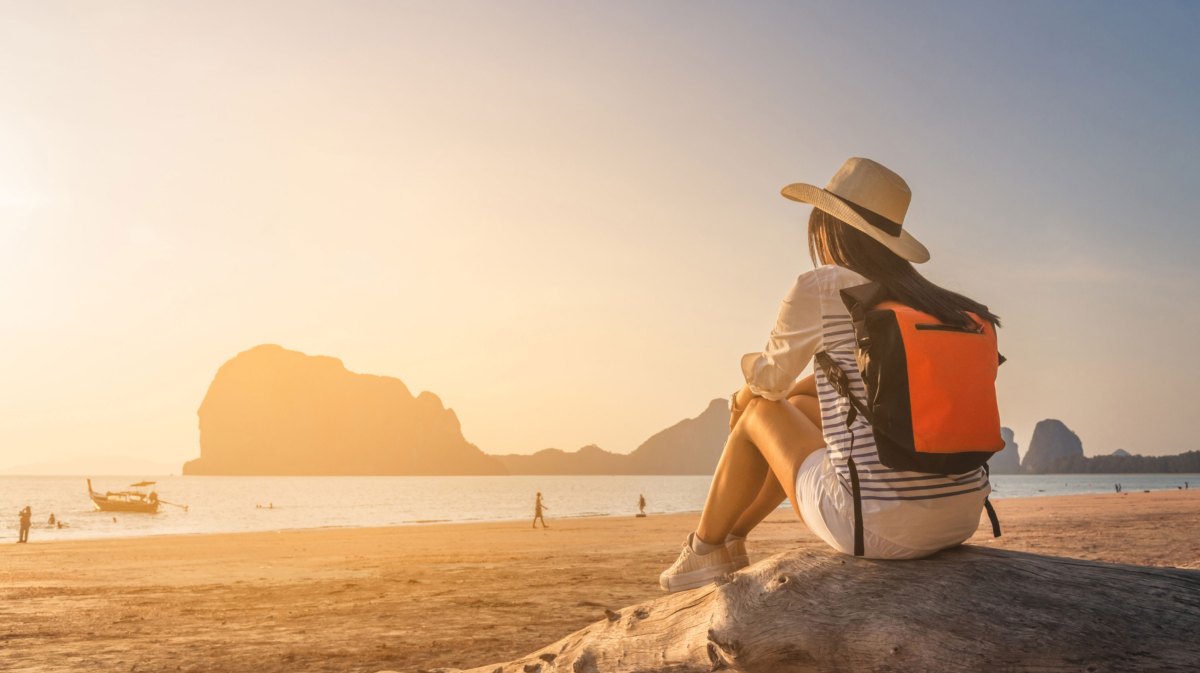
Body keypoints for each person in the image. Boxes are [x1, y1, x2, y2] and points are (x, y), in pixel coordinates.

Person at [659, 158, 1002, 592]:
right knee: (799, 405)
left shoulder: (824, 287)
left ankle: (704, 550)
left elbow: (768, 382)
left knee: (759, 412)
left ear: (828, 226)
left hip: (875, 527)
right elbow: (848, 388)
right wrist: (776, 398)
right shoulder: (934, 304)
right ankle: (733, 539)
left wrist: (742, 400)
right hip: (960, 516)